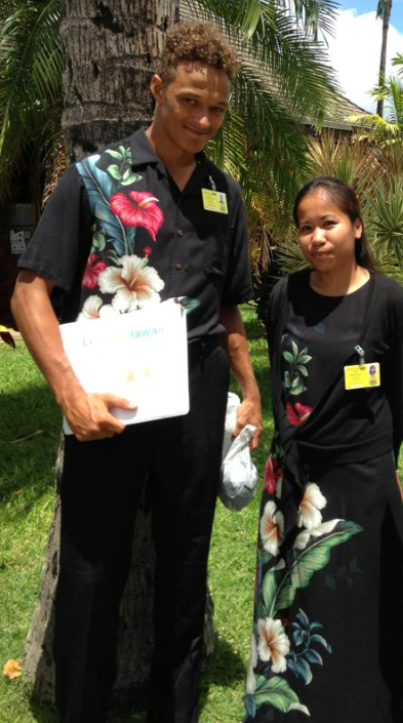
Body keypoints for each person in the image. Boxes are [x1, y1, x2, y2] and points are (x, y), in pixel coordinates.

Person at [11, 22, 262, 723]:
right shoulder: (93, 179)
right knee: (92, 573)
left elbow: (232, 310)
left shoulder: (224, 196)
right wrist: (69, 392)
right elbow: (29, 292)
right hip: (108, 402)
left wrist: (250, 391)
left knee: (186, 569)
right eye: (188, 102)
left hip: (198, 393)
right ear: (156, 89)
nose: (203, 120)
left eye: (215, 108)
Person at [244, 178, 403, 722]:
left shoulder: (388, 299)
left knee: (361, 601)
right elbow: (283, 379)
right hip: (293, 478)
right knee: (294, 601)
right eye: (305, 227)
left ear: (356, 226)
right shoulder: (284, 295)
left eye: (329, 223)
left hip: (362, 480)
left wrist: (368, 457)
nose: (317, 237)